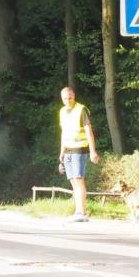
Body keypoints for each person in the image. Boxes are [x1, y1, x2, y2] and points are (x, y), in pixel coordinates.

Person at [57, 87, 99, 222]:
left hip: (80, 149)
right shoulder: (62, 111)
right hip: (68, 149)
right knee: (73, 181)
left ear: (73, 96)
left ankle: (83, 212)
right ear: (62, 99)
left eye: (70, 98)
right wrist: (61, 152)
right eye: (65, 98)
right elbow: (63, 133)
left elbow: (89, 132)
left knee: (79, 179)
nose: (67, 101)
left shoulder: (81, 110)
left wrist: (92, 151)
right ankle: (78, 211)